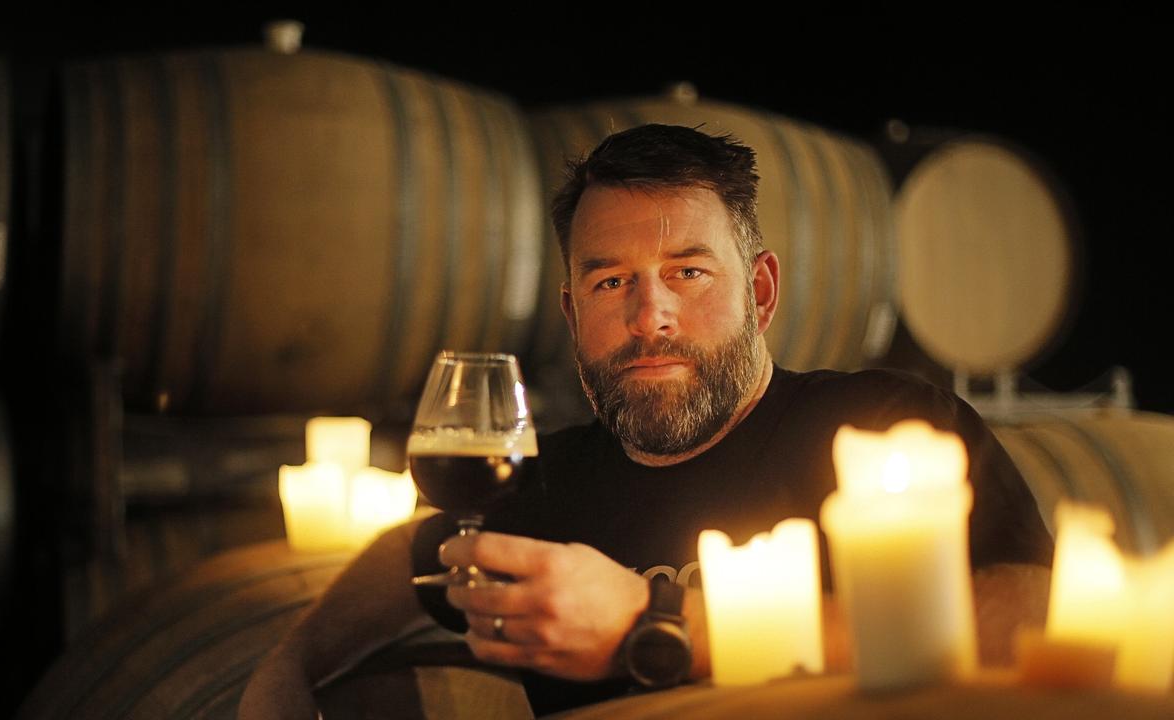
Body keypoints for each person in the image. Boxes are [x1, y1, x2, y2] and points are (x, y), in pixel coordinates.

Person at [239, 124, 1054, 719]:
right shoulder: (539, 482)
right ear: (570, 312)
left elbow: (1031, 615)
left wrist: (658, 623)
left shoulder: (888, 427)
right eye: (608, 282)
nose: (649, 315)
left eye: (688, 272)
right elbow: (416, 557)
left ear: (760, 293)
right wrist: (287, 669)